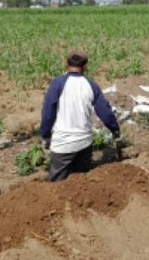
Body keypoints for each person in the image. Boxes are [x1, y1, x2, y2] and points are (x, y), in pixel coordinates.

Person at [40, 49, 120, 181]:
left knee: (58, 188)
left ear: (66, 64)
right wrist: (115, 129)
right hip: (84, 144)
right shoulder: (91, 85)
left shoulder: (57, 83)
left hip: (62, 145)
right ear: (85, 66)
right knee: (81, 184)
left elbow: (48, 112)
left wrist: (45, 135)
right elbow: (105, 112)